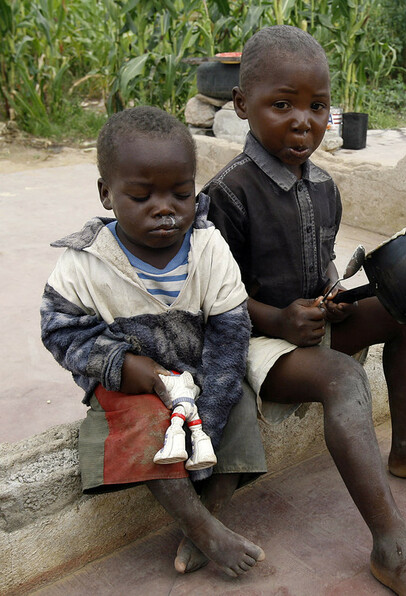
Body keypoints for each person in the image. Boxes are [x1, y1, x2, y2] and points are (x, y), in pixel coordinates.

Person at [203, 25, 406, 595]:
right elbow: (209, 298)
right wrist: (277, 319)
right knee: (345, 379)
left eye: (318, 107)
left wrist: (336, 294)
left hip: (306, 326)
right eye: (281, 105)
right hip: (256, 344)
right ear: (240, 105)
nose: (303, 121)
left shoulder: (324, 185)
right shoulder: (228, 193)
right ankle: (392, 546)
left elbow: (321, 262)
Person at [40, 106, 266, 578]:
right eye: (142, 196)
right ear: (106, 193)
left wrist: (212, 400)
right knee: (147, 426)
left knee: (242, 405)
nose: (165, 208)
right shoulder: (85, 263)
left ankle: (209, 513)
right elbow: (60, 330)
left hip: (200, 372)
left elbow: (231, 329)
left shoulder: (209, 247)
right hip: (128, 382)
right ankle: (201, 528)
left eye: (181, 194)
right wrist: (125, 367)